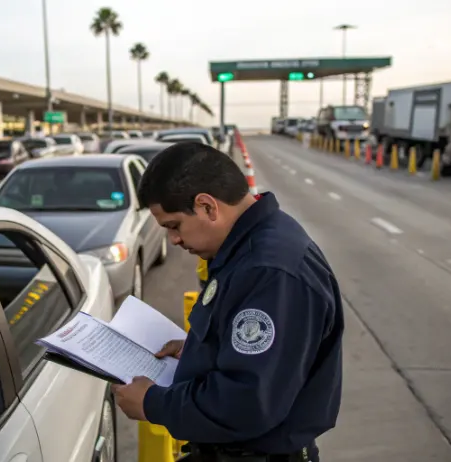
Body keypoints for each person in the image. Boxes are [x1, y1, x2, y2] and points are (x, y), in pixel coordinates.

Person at [111, 142, 344, 462]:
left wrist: (152, 403)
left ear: (208, 206)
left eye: (174, 226)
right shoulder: (251, 243)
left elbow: (247, 402)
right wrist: (199, 350)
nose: (174, 240)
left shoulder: (269, 271)